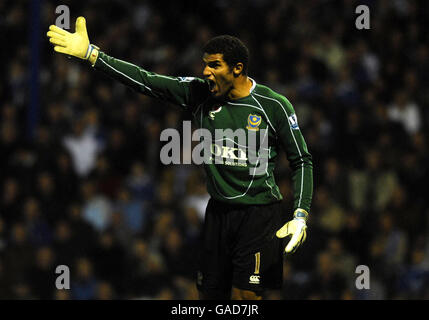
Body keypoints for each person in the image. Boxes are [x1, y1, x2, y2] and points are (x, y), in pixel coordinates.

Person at [47, 17, 313, 300]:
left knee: (246, 297)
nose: (205, 71)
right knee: (208, 296)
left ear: (237, 69)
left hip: (259, 214)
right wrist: (92, 55)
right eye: (205, 64)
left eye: (214, 65)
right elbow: (146, 81)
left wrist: (300, 214)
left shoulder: (273, 105)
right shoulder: (198, 93)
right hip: (218, 213)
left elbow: (302, 160)